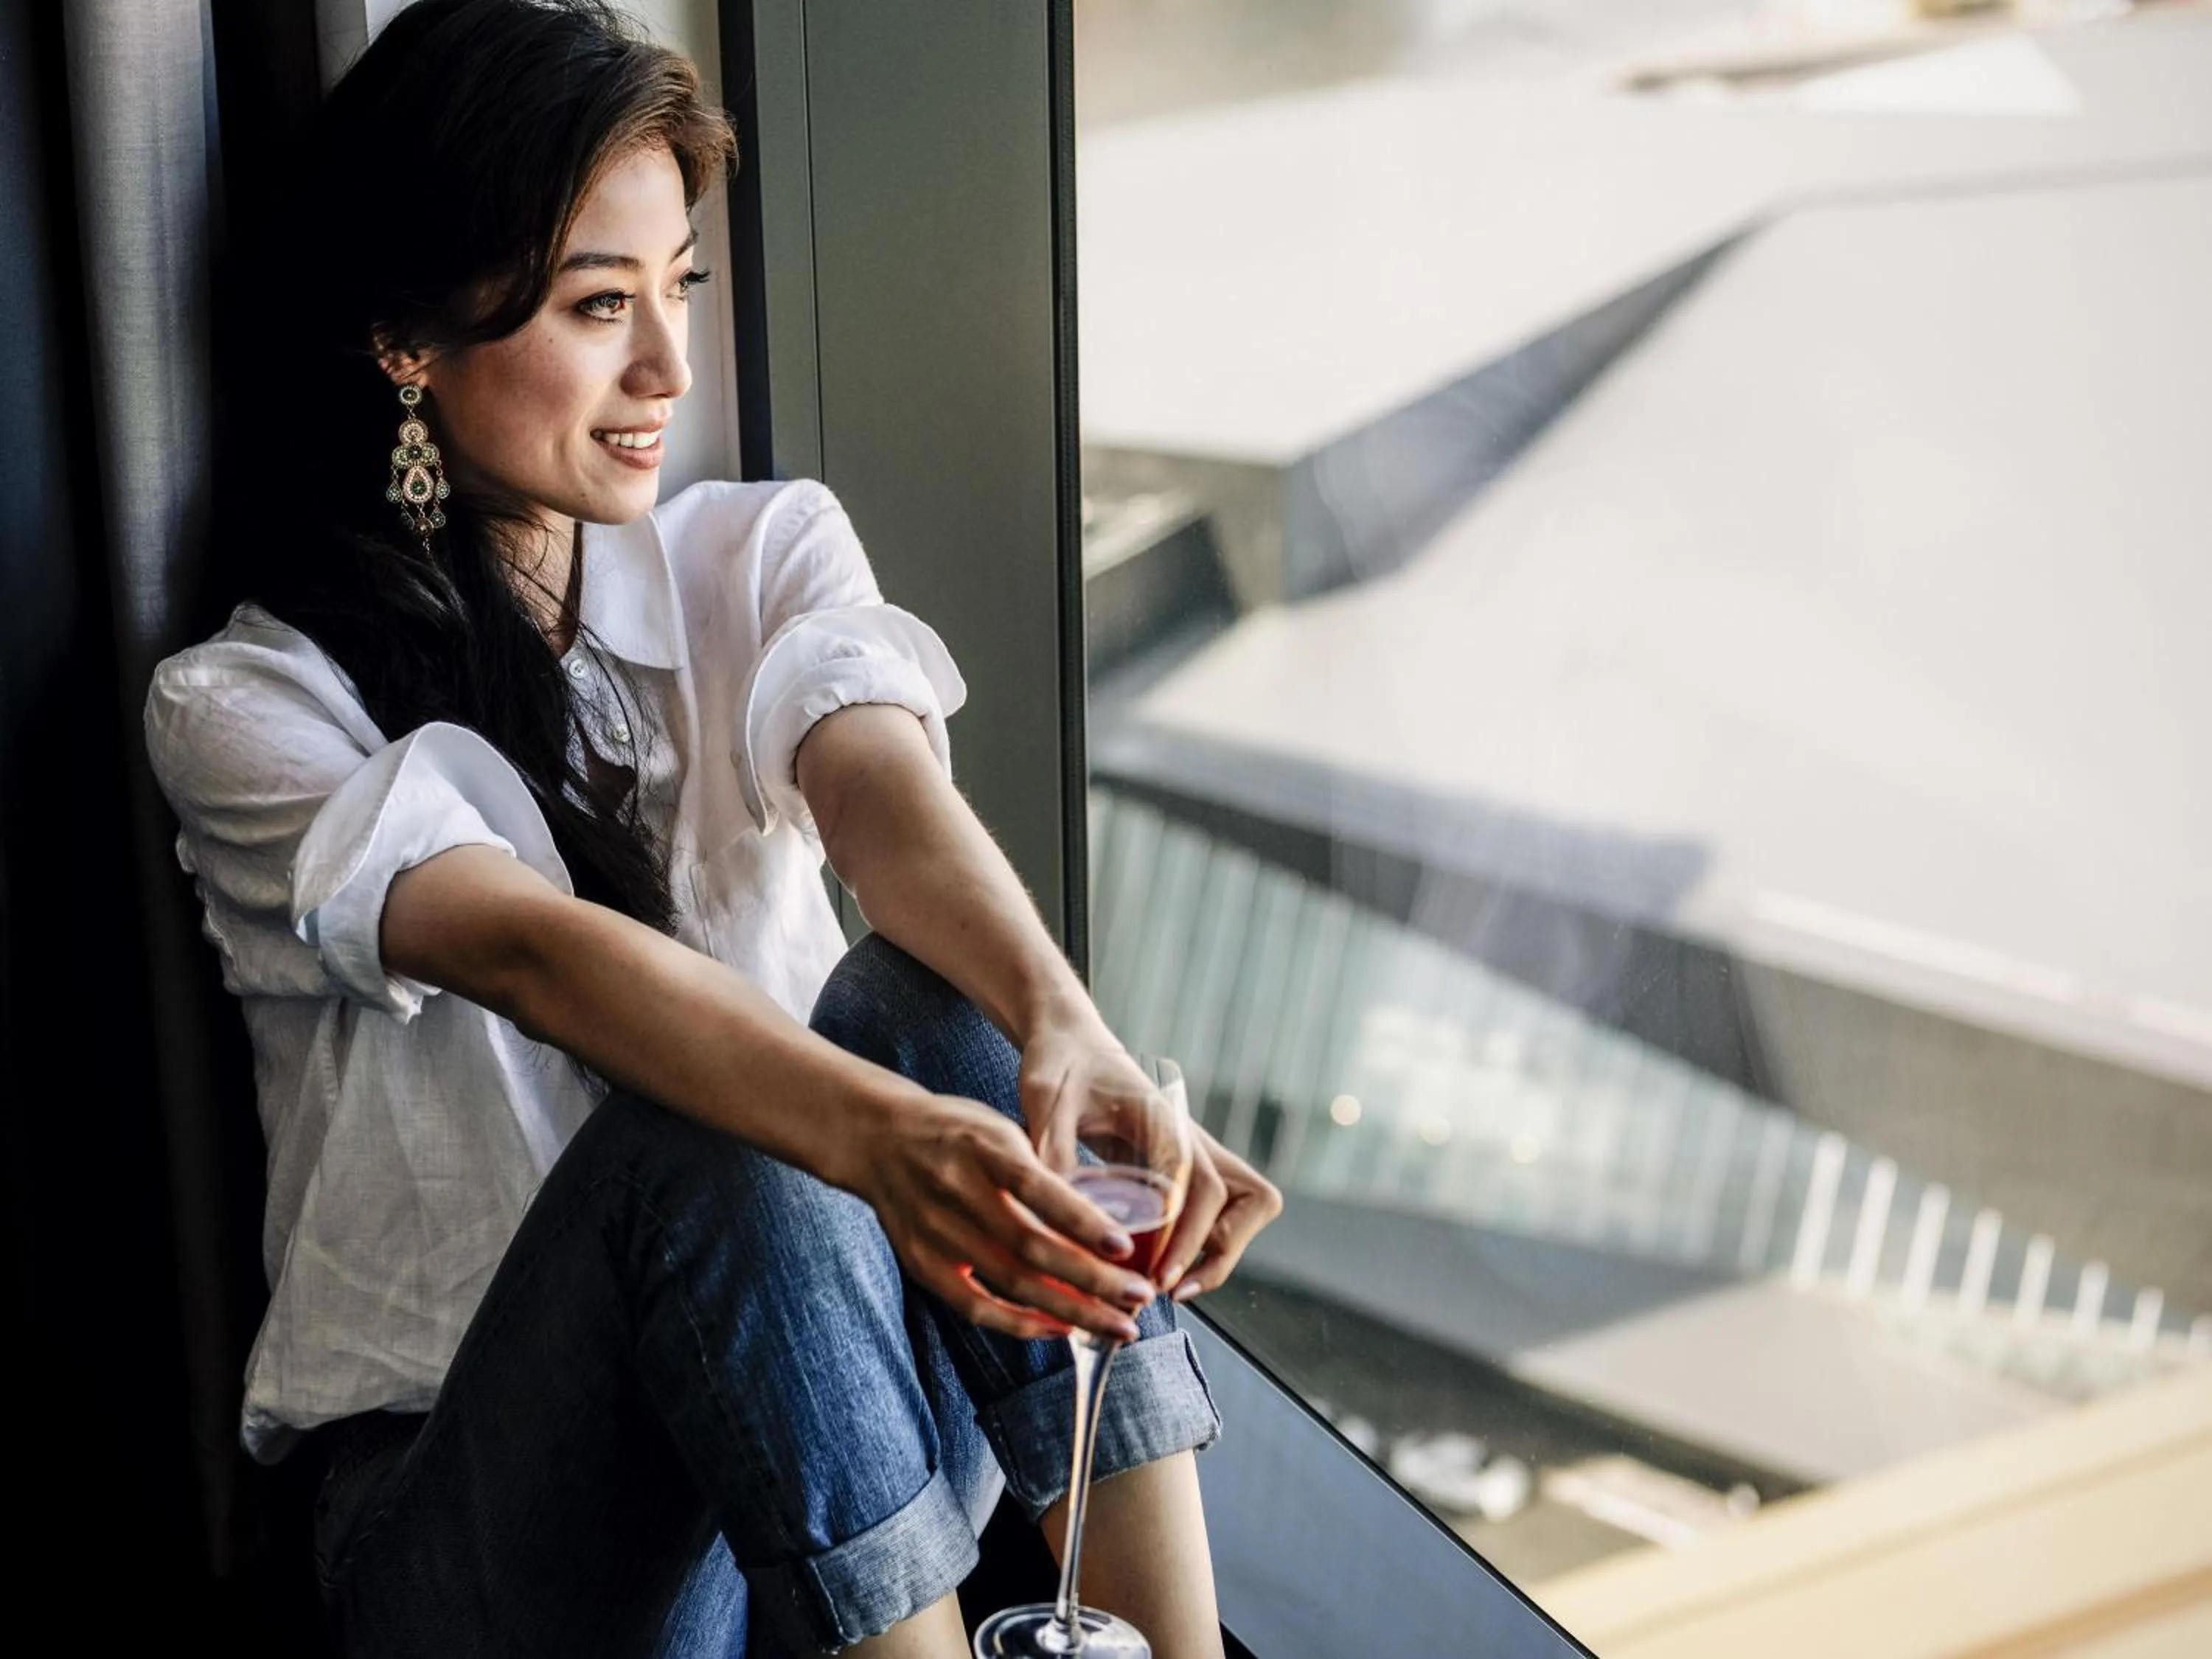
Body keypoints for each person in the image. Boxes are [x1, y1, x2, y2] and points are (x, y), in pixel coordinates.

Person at [143, 2, 1281, 1654]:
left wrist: (1068, 1033)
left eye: (677, 287)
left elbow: (887, 794)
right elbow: (541, 956)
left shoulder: (755, 557)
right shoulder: (247, 706)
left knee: (938, 1002)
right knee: (718, 1139)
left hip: (839, 1479)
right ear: (408, 333)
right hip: (498, 1545)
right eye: (602, 305)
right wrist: (880, 1143)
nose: (671, 368)